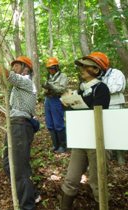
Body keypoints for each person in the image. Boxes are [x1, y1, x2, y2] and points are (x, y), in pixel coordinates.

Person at [0, 45, 39, 210]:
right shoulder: (17, 89)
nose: (14, 67)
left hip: (21, 126)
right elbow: (14, 108)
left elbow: (6, 74)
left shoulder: (26, 82)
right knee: (8, 164)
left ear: (26, 69)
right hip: (15, 125)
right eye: (13, 65)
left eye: (17, 65)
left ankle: (28, 205)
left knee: (18, 168)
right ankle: (32, 194)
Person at [60, 53, 110, 210]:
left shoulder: (101, 88)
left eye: (85, 66)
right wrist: (66, 102)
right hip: (81, 139)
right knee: (71, 178)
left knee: (97, 180)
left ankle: (101, 204)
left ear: (96, 69)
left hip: (97, 141)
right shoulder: (81, 90)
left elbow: (99, 111)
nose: (81, 69)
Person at [87, 52, 126, 165]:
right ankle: (106, 156)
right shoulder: (96, 77)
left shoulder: (116, 73)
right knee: (104, 131)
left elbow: (118, 87)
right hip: (102, 107)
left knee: (118, 131)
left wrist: (100, 90)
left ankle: (120, 155)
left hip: (116, 105)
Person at [42, 57, 68, 153]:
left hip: (57, 100)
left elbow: (62, 89)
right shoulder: (49, 77)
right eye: (49, 68)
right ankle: (55, 145)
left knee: (58, 124)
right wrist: (45, 89)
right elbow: (45, 90)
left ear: (57, 67)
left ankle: (62, 145)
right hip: (48, 100)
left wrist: (51, 86)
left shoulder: (62, 76)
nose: (51, 70)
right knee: (49, 124)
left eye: (52, 68)